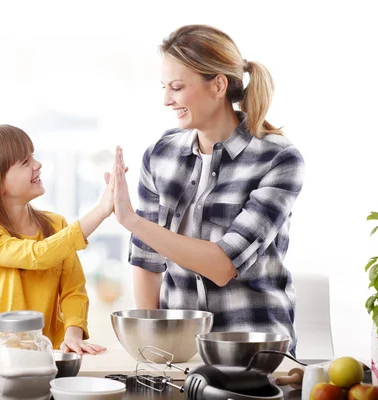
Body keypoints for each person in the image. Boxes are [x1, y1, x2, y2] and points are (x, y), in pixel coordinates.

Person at [111, 24, 305, 354]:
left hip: (254, 349)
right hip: (179, 351)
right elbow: (147, 263)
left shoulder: (278, 159)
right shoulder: (161, 155)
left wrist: (131, 220)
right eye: (164, 87)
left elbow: (221, 266)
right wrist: (153, 349)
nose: (166, 100)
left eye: (176, 87)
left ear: (217, 85)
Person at [0, 124, 110, 355]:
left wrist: (73, 336)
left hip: (49, 356)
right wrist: (101, 210)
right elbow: (38, 255)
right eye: (25, 162)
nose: (38, 165)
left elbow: (73, 291)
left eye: (33, 157)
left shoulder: (56, 225)